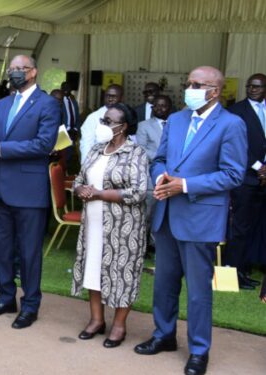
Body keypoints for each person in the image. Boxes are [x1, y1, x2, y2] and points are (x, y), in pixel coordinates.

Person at [134, 66, 247, 375]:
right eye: (189, 83)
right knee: (163, 284)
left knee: (198, 291)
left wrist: (184, 184)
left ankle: (199, 350)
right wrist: (161, 177)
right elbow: (159, 160)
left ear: (216, 91)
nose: (190, 89)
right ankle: (164, 335)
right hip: (168, 214)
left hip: (200, 218)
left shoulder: (231, 124)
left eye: (198, 85)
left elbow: (233, 174)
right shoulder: (177, 119)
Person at [0, 55, 60, 329]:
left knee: (29, 252)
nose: (14, 73)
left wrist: (3, 148)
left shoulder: (48, 104)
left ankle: (30, 304)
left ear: (34, 72)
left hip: (29, 190)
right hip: (2, 188)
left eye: (20, 69)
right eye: (11, 69)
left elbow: (44, 144)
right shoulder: (3, 104)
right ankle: (5, 298)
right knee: (2, 249)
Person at [72, 103, 148, 348]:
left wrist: (99, 194)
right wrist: (80, 189)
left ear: (124, 127)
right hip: (93, 223)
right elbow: (79, 180)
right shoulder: (95, 150)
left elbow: (138, 192)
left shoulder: (136, 153)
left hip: (123, 227)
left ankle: (118, 324)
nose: (103, 125)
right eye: (103, 120)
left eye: (109, 121)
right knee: (93, 269)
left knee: (122, 273)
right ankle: (96, 320)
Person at [223, 73, 266, 290]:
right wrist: (259, 167)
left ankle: (244, 271)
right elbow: (236, 146)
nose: (252, 89)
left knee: (254, 228)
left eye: (257, 86)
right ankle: (231, 274)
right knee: (238, 227)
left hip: (263, 180)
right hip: (245, 178)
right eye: (250, 86)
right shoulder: (236, 111)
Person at [136, 94, 173, 250]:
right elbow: (141, 149)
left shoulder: (176, 124)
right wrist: (163, 157)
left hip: (173, 176)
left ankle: (156, 243)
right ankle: (142, 245)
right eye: (156, 105)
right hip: (152, 175)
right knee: (148, 212)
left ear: (169, 108)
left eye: (163, 105)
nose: (159, 108)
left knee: (165, 213)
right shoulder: (144, 125)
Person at [80, 84, 123, 164]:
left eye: (114, 96)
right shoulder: (93, 117)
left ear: (121, 98)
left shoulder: (126, 116)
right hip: (98, 162)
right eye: (107, 96)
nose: (110, 99)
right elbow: (86, 144)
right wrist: (85, 166)